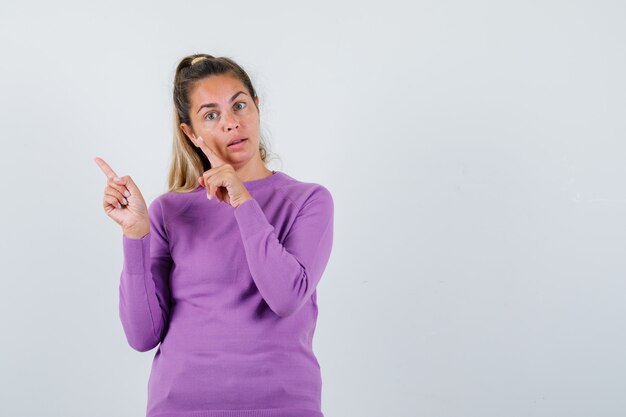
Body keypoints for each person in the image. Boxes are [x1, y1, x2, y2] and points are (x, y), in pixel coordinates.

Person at [94, 54, 334, 417]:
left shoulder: (308, 200)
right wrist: (136, 235)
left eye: (239, 105)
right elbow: (142, 336)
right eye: (211, 115)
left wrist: (242, 201)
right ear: (190, 132)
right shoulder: (169, 211)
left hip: (282, 406)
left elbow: (286, 297)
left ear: (257, 106)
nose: (231, 123)